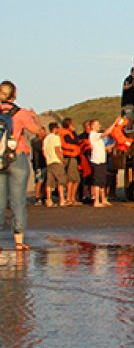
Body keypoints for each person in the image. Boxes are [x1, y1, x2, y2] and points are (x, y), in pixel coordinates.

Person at [0, 81, 44, 250]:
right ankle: (18, 241)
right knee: (18, 200)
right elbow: (39, 132)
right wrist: (35, 118)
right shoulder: (21, 113)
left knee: (0, 201)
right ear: (14, 94)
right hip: (17, 156)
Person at [86, 120, 111, 207]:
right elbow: (106, 133)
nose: (99, 126)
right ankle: (96, 201)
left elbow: (103, 148)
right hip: (97, 161)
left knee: (102, 181)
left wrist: (113, 145)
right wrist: (114, 124)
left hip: (102, 161)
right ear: (92, 126)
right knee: (97, 182)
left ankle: (103, 199)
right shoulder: (93, 135)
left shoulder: (98, 137)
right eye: (97, 124)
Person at [42, 122, 65, 207]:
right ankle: (62, 199)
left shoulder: (46, 138)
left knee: (49, 182)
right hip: (56, 161)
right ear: (55, 129)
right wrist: (61, 159)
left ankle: (49, 200)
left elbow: (44, 151)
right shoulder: (56, 138)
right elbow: (57, 149)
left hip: (49, 161)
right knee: (60, 181)